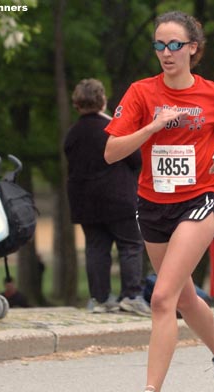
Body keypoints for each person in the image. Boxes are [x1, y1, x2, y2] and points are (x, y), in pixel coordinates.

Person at [104, 11, 214, 392]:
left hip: (199, 201)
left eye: (174, 45)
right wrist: (151, 127)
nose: (165, 53)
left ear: (193, 48)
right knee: (185, 297)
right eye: (158, 45)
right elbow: (112, 152)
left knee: (162, 298)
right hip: (152, 205)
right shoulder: (140, 92)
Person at [64, 78, 149, 317]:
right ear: (103, 100)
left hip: (84, 200)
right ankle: (131, 295)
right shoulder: (114, 128)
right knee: (130, 244)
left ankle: (100, 298)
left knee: (95, 248)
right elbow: (135, 160)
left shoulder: (72, 134)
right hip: (118, 196)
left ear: (76, 104)